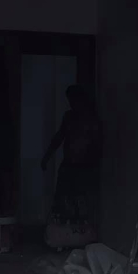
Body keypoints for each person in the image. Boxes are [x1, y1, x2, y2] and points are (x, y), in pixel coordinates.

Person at [41, 85, 102, 249]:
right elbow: (59, 137)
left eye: (74, 100)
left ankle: (82, 237)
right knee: (62, 198)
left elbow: (97, 145)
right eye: (70, 100)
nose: (72, 103)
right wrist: (46, 157)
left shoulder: (90, 120)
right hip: (68, 165)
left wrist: (93, 167)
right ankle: (62, 236)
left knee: (81, 201)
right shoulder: (68, 117)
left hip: (84, 167)